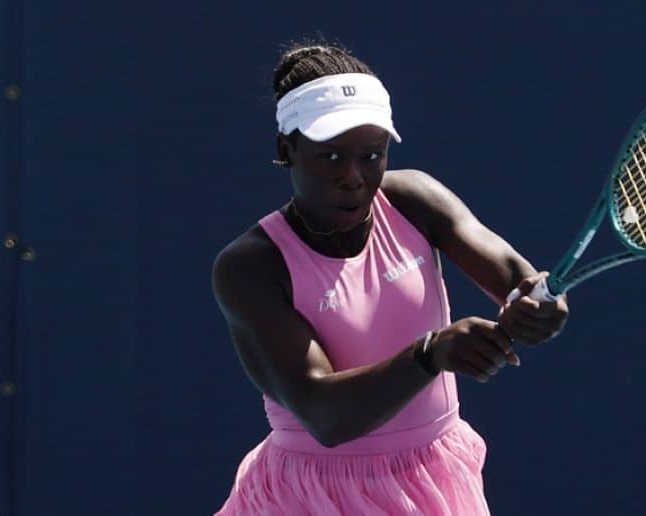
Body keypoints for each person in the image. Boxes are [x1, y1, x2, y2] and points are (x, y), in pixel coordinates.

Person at [210, 42, 570, 515]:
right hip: (314, 498)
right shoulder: (251, 267)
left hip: (436, 480)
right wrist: (431, 352)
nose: (354, 178)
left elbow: (514, 277)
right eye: (332, 157)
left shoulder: (414, 199)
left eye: (372, 155)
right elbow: (325, 415)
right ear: (287, 149)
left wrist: (538, 305)